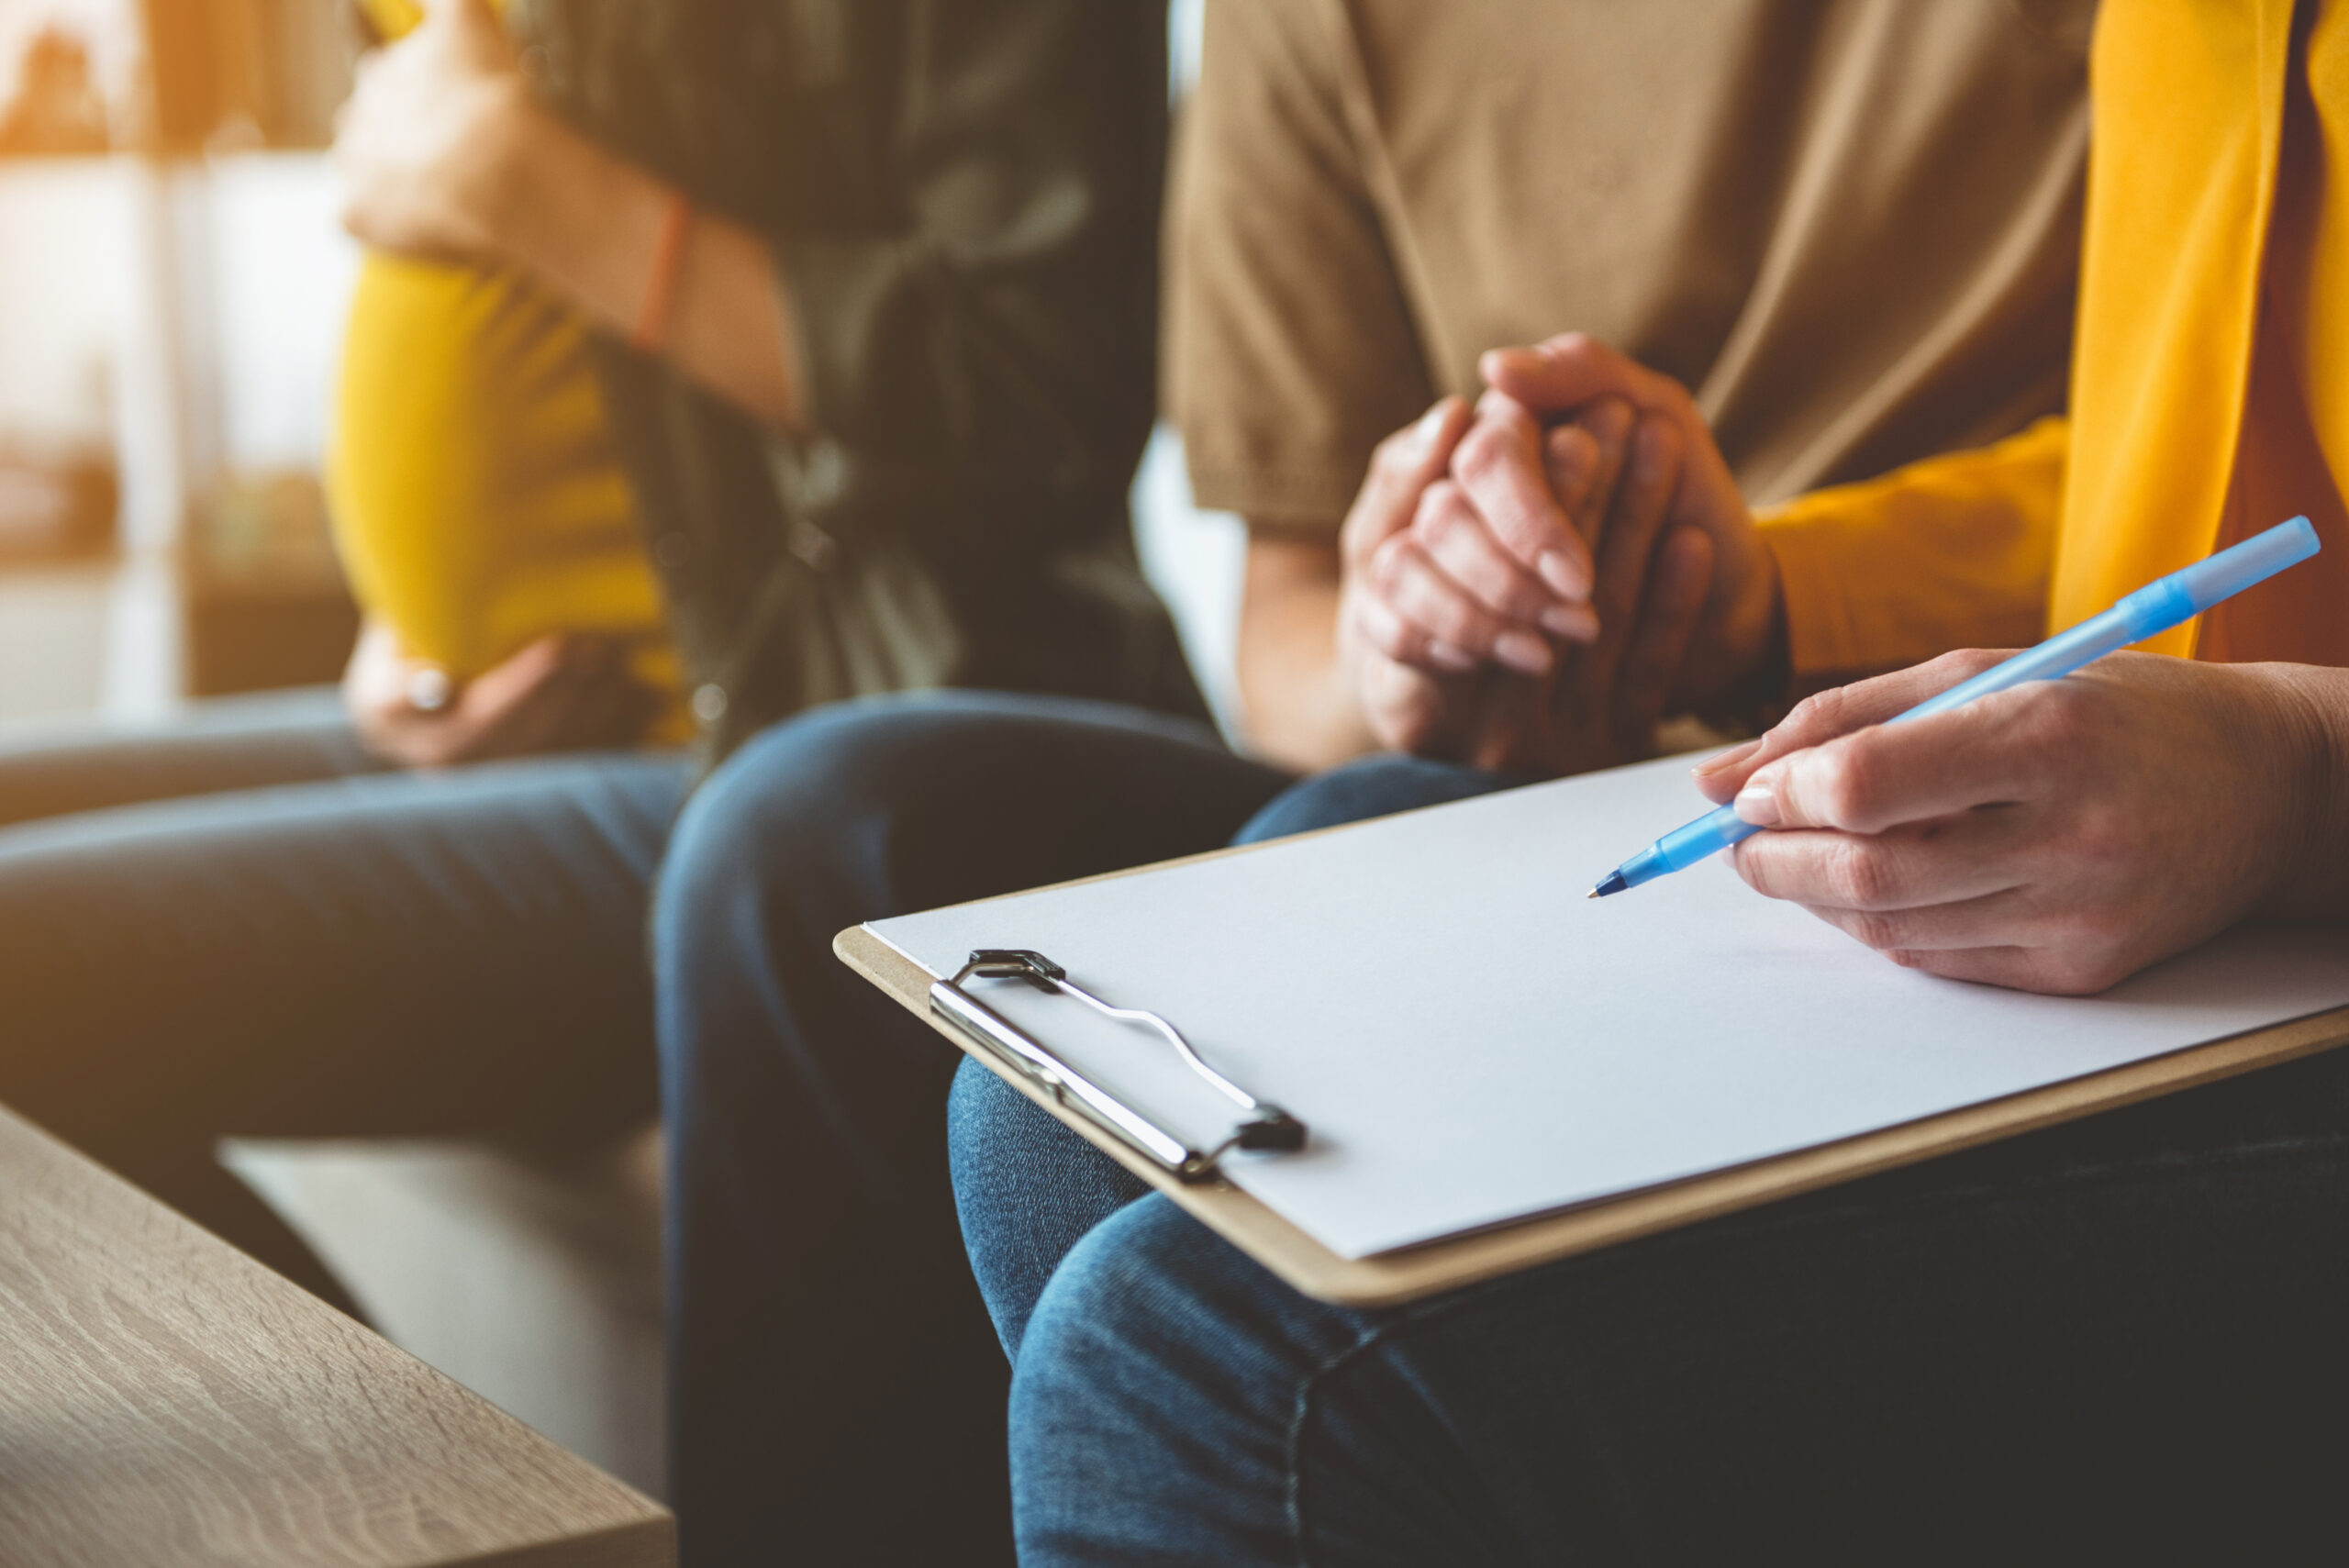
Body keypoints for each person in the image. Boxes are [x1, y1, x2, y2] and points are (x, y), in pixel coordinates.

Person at [652, 1, 2095, 1562]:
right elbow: (1287, 648)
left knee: (1222, 1006)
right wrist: (1400, 644)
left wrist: (1754, 591)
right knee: (805, 838)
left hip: (1928, 738)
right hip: (1506, 772)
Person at [953, 0, 2349, 1559]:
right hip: (2219, 898)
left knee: (1195, 1347)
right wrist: (1759, 590)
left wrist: (2296, 774)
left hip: (2295, 874)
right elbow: (2211, 438)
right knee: (1053, 1126)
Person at [0, 0, 1183, 1560]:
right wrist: (407, 626)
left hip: (795, 708)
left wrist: (523, 184)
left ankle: (423, 1528)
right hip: (505, 704)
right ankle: (403, 1510)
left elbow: (1043, 388)